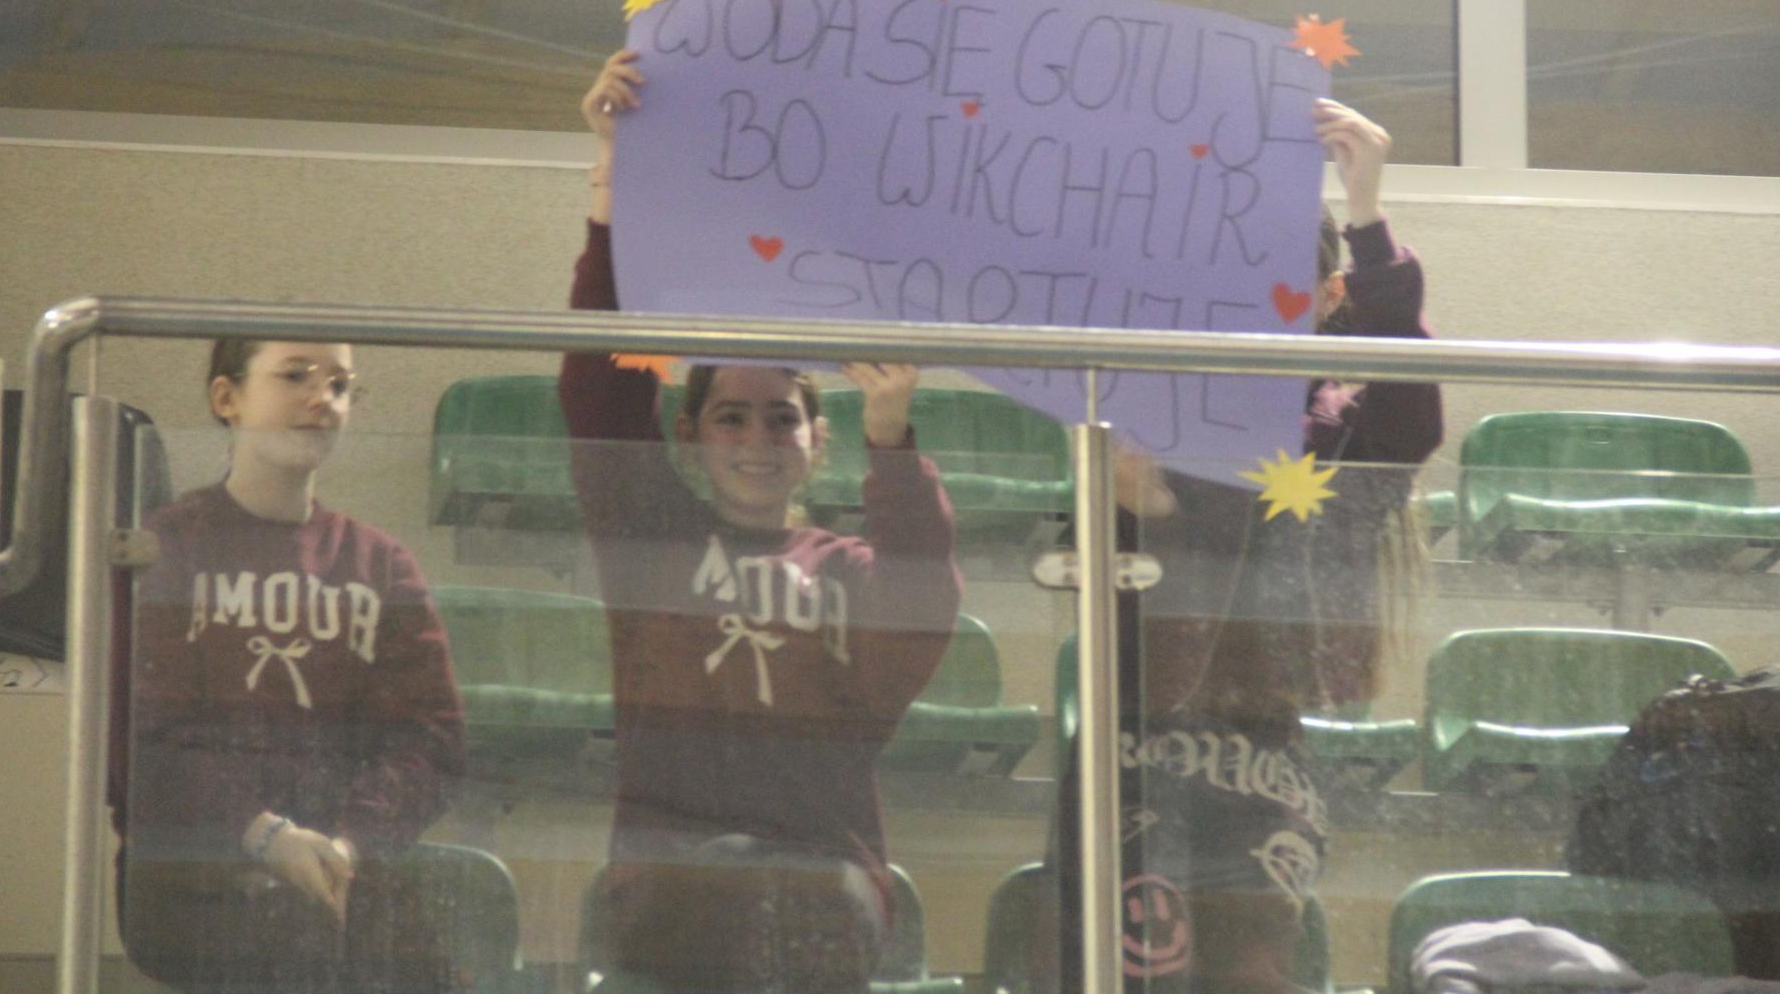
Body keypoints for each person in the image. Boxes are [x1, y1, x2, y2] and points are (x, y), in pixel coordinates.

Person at [561, 49, 964, 993]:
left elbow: (924, 602)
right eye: (732, 417)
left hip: (825, 882)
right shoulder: (653, 540)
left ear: (818, 439)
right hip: (667, 878)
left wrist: (894, 438)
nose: (757, 439)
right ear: (690, 433)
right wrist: (613, 188)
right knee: (723, 884)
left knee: (786, 891)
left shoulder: (852, 567)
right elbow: (597, 392)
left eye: (782, 417)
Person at [1043, 99, 1444, 994]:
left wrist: (1367, 216)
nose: (1255, 298)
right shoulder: (1145, 415)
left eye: (1283, 277)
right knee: (1110, 972)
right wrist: (1142, 509)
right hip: (1124, 760)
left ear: (1330, 297)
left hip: (1259, 766)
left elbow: (1411, 415)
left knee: (1250, 973)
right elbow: (1106, 595)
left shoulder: (1338, 431)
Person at [109, 339, 466, 993]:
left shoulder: (382, 564)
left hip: (343, 882)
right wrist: (266, 837)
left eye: (340, 385)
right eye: (295, 376)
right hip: (198, 887)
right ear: (227, 397)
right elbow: (139, 743)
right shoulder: (167, 547)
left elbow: (431, 740)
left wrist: (348, 846)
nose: (322, 399)